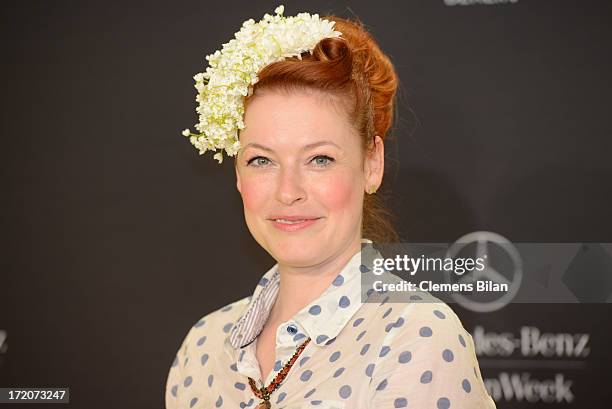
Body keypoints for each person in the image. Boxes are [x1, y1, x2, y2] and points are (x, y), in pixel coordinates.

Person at [167, 5, 497, 409]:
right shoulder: (203, 347)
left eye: (319, 159)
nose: (288, 191)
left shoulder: (415, 336)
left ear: (371, 164)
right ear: (237, 174)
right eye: (261, 160)